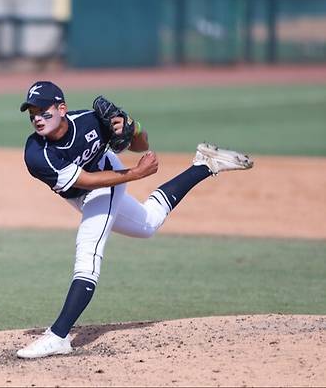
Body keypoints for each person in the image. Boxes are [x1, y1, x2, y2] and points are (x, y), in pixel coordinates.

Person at [16, 81, 253, 359]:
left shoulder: (89, 121)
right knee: (148, 224)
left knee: (88, 249)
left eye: (44, 110)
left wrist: (131, 126)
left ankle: (58, 336)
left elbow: (141, 145)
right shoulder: (37, 154)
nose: (37, 118)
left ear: (62, 109)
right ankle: (204, 164)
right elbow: (85, 180)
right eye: (32, 112)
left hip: (108, 180)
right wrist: (136, 174)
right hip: (90, 187)